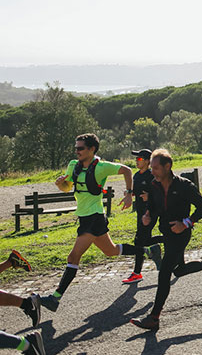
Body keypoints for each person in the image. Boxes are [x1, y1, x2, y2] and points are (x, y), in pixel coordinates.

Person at [39, 133, 159, 313]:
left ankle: (55, 298)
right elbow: (68, 186)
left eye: (81, 148)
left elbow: (126, 170)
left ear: (92, 149)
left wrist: (128, 193)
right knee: (110, 251)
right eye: (76, 148)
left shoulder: (101, 167)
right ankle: (148, 250)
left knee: (73, 257)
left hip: (94, 217)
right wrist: (60, 185)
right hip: (85, 217)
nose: (77, 151)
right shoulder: (73, 165)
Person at [130, 149, 202, 331]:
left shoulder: (184, 186)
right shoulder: (154, 185)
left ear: (167, 166)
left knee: (165, 273)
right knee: (180, 270)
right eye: (151, 168)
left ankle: (154, 317)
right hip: (167, 233)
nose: (152, 171)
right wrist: (147, 215)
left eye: (155, 168)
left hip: (181, 234)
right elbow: (153, 206)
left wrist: (186, 223)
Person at [123, 148, 164, 284]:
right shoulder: (136, 176)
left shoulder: (152, 175)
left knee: (139, 241)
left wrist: (149, 196)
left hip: (151, 212)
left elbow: (162, 191)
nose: (136, 161)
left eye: (139, 159)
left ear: (147, 161)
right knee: (144, 240)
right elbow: (135, 190)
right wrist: (129, 194)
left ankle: (137, 273)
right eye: (136, 159)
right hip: (140, 212)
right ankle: (165, 241)